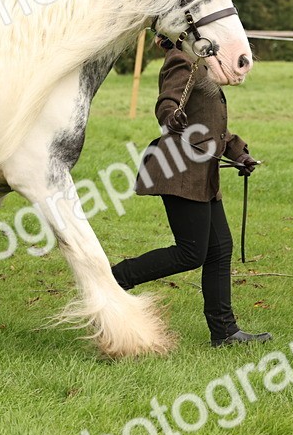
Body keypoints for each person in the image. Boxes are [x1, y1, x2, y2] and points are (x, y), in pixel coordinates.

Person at [112, 42, 272, 347]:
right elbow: (167, 101)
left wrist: (240, 154)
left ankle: (225, 332)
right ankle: (114, 280)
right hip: (180, 172)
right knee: (191, 252)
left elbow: (213, 128)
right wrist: (170, 115)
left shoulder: (204, 64)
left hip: (202, 175)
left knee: (219, 248)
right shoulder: (181, 60)